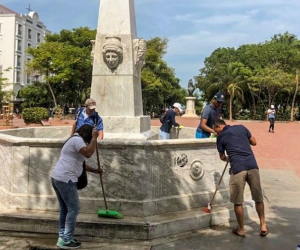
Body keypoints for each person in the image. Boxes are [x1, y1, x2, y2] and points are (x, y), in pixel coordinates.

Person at [213, 119, 268, 237]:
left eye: (215, 131)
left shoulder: (220, 137)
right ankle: (263, 225)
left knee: (238, 201)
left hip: (238, 168)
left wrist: (228, 158)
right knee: (258, 198)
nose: (216, 133)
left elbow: (222, 156)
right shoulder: (242, 128)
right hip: (252, 165)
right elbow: (254, 142)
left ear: (218, 127)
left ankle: (241, 229)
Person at [51, 124, 103, 249]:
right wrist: (95, 138)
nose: (90, 140)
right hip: (65, 179)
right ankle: (67, 239)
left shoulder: (75, 140)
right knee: (74, 208)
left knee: (65, 209)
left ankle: (63, 237)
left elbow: (80, 163)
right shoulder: (77, 140)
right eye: (90, 137)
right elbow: (88, 153)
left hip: (58, 177)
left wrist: (95, 170)